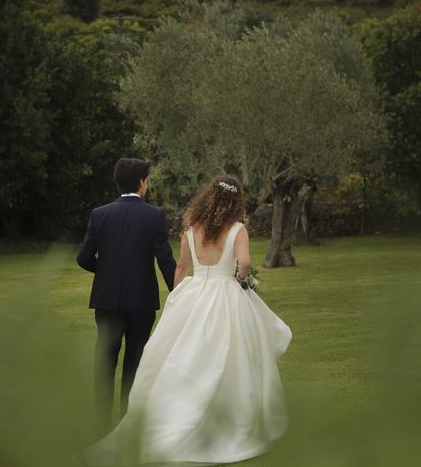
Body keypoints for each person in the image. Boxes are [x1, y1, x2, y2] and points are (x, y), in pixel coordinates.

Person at [85, 174, 292, 466]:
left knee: (184, 356)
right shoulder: (237, 229)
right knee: (233, 357)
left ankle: (173, 414)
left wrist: (178, 298)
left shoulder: (190, 228)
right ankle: (228, 420)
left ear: (208, 196)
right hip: (226, 295)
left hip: (195, 292)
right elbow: (244, 263)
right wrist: (241, 279)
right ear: (235, 200)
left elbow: (181, 268)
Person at [77, 158, 177, 431]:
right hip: (141, 302)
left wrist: (105, 273)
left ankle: (99, 425)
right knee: (134, 360)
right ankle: (125, 425)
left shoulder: (100, 214)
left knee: (105, 358)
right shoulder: (154, 216)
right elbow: (165, 261)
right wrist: (179, 291)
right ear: (142, 183)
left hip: (106, 300)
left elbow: (84, 258)